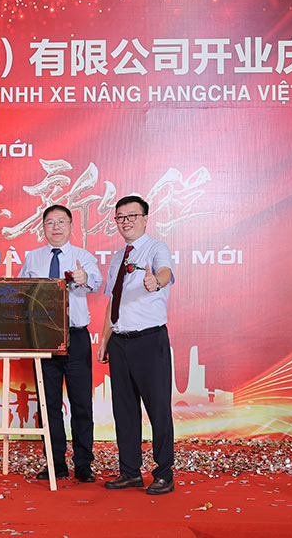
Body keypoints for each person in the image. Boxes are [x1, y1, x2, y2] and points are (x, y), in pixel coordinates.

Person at [19, 204, 103, 483]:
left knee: (81, 403)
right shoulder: (32, 257)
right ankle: (55, 463)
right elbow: (20, 292)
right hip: (43, 338)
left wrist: (84, 278)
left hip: (75, 337)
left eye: (61, 222)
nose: (56, 227)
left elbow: (97, 282)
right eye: (50, 222)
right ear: (43, 227)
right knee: (48, 404)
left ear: (70, 226)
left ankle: (83, 464)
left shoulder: (83, 257)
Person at [97, 195, 175, 495]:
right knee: (124, 410)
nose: (126, 222)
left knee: (158, 408)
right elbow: (112, 301)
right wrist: (105, 339)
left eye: (132, 216)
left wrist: (157, 282)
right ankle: (129, 472)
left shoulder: (156, 248)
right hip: (120, 342)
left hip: (148, 340)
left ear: (145, 219)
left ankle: (164, 473)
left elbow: (165, 272)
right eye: (120, 217)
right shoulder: (118, 257)